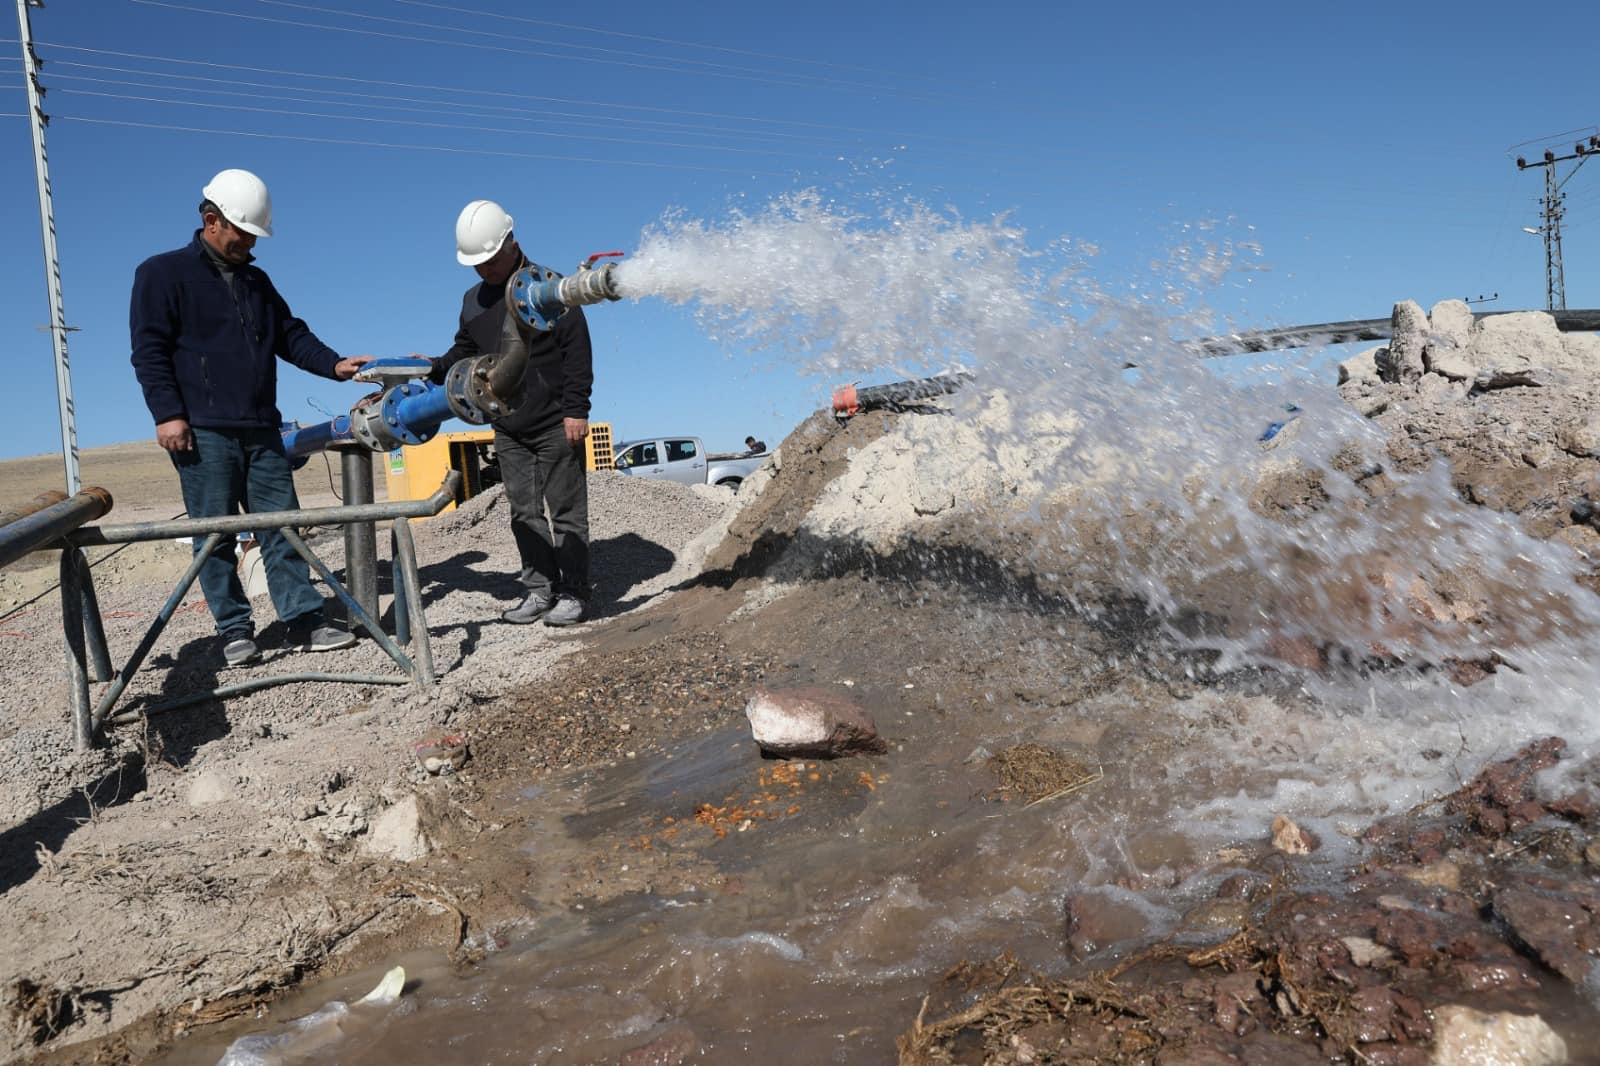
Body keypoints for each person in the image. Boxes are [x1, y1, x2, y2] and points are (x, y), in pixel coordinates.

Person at [130, 168, 373, 667]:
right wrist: (169, 414)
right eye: (243, 233)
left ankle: (302, 618)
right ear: (211, 220)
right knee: (215, 533)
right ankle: (235, 630)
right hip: (202, 430)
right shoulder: (161, 273)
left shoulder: (256, 281)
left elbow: (289, 333)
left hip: (261, 425)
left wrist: (333, 364)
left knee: (282, 525)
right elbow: (149, 351)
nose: (249, 243)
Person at [429, 200, 594, 627]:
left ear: (512, 244)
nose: (484, 270)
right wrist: (434, 367)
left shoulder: (548, 287)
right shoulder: (472, 300)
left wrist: (576, 409)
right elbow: (465, 351)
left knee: (566, 510)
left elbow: (577, 350)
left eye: (490, 260)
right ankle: (539, 591)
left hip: (556, 420)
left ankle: (574, 592)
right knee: (523, 511)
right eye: (477, 264)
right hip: (507, 424)